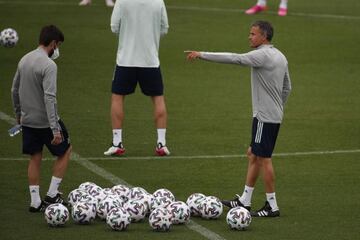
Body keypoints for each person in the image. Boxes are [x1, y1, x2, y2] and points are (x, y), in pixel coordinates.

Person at [185, 20, 291, 217]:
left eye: (253, 34)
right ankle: (245, 199)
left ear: (264, 36)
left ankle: (272, 206)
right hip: (272, 115)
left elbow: (235, 58)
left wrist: (202, 54)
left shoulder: (262, 55)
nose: (249, 37)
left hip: (264, 118)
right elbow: (287, 88)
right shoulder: (280, 56)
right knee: (253, 154)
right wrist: (278, 107)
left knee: (264, 159)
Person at [11, 25, 71, 212]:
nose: (57, 49)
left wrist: (19, 114)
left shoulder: (24, 60)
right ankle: (52, 194)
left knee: (34, 157)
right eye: (58, 45)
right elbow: (50, 97)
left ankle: (35, 202)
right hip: (46, 121)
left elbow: (14, 89)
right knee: (65, 150)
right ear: (53, 43)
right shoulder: (49, 65)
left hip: (28, 120)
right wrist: (55, 129)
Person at [104, 0, 170, 156]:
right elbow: (164, 29)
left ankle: (117, 142)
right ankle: (161, 143)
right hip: (150, 60)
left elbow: (114, 27)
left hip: (126, 59)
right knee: (158, 99)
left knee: (117, 97)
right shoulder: (158, 1)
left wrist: (129, 34)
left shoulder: (122, 1)